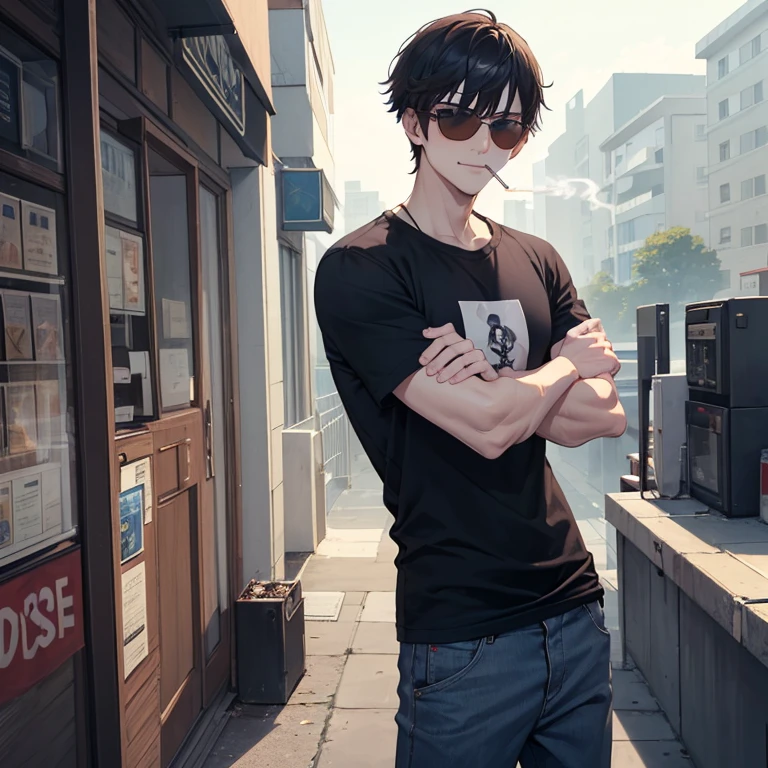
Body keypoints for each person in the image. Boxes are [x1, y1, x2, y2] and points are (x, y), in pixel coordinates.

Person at [313, 10, 627, 767]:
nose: (485, 145)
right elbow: (492, 429)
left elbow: (603, 417)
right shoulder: (363, 267)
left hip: (574, 609)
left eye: (508, 129)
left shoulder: (537, 257)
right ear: (416, 124)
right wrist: (560, 369)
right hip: (461, 634)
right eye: (459, 120)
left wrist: (502, 387)